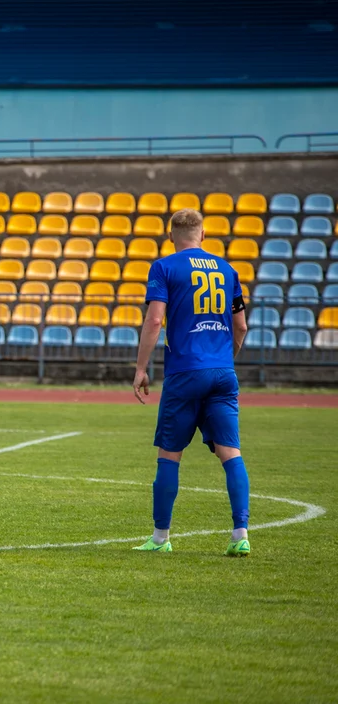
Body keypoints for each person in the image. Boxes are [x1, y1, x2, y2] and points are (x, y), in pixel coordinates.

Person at [132, 208, 251, 556]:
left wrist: (141, 368)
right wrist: (225, 359)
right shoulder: (228, 270)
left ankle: (160, 538)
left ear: (172, 236)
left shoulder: (165, 267)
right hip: (222, 373)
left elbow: (155, 321)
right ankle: (239, 535)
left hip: (184, 372)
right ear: (203, 235)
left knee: (170, 456)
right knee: (231, 454)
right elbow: (241, 325)